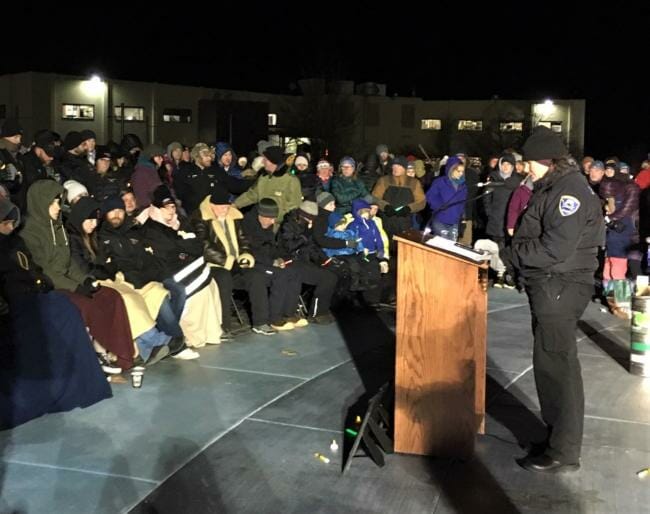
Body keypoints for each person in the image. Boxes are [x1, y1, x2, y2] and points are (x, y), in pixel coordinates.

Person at [511, 126, 605, 473]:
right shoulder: (553, 186)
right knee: (549, 365)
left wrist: (514, 255)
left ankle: (564, 451)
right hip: (551, 285)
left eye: (529, 162)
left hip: (560, 286)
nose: (525, 168)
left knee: (559, 368)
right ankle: (555, 439)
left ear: (546, 160)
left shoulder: (570, 193)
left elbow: (555, 248)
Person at [0, 197, 112, 428]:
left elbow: (31, 269)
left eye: (12, 221)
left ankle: (78, 381)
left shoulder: (15, 242)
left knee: (64, 308)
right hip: (10, 303)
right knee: (57, 312)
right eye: (6, 222)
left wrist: (39, 283)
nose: (10, 227)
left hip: (29, 295)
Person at [424, 155, 467, 241]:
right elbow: (430, 196)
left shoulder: (463, 186)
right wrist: (439, 206)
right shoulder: (440, 182)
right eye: (458, 171)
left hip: (454, 222)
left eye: (462, 171)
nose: (461, 174)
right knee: (443, 246)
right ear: (451, 169)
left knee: (452, 247)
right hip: (440, 219)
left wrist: (462, 219)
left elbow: (462, 203)